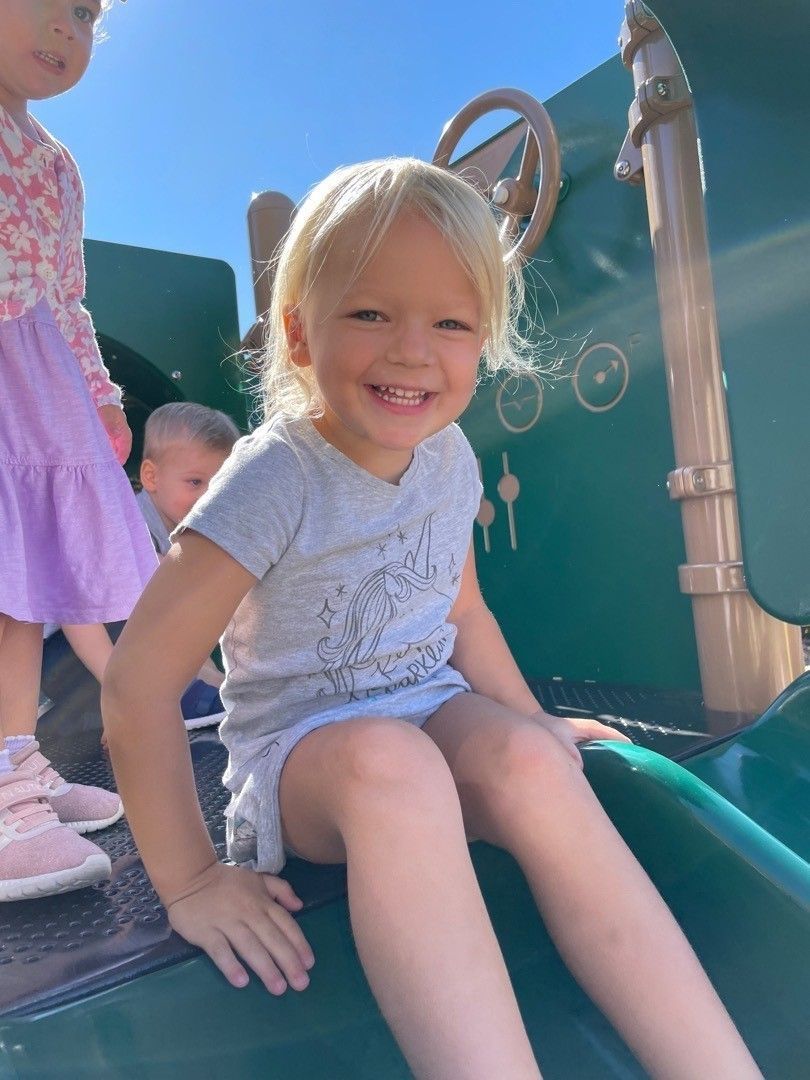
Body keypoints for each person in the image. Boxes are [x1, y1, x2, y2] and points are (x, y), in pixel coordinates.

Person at [103, 158, 762, 1079]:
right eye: (372, 313)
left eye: (451, 323)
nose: (414, 350)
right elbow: (137, 685)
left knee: (536, 762)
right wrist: (193, 881)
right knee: (396, 767)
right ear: (298, 335)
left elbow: (462, 613)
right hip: (309, 757)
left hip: (429, 706)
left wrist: (528, 719)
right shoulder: (272, 477)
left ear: (483, 340)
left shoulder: (449, 457)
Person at [0, 0, 156, 903]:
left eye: (88, 14)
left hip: (36, 382)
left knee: (22, 587)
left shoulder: (57, 166)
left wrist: (99, 393)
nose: (68, 30)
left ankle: (16, 760)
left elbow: (68, 295)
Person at [60, 402, 240, 733]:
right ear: (151, 476)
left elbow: (185, 616)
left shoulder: (184, 530)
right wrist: (122, 702)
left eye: (220, 486)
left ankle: (189, 690)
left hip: (104, 659)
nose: (209, 498)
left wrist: (213, 677)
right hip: (62, 661)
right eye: (195, 482)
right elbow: (77, 610)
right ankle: (164, 697)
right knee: (160, 578)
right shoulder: (126, 525)